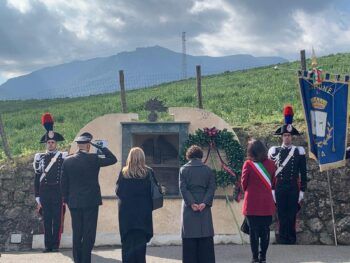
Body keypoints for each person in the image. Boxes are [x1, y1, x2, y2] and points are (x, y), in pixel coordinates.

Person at [61, 132, 117, 263]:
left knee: (77, 233)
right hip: (91, 202)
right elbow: (113, 159)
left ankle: (77, 260)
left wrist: (66, 200)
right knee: (89, 233)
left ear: (78, 146)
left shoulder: (67, 160)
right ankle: (86, 260)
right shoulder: (94, 159)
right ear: (88, 146)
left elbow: (63, 183)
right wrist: (101, 147)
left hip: (74, 202)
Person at [268, 105, 307, 245]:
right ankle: (283, 238)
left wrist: (302, 190)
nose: (287, 138)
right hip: (279, 186)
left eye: (289, 135)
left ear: (292, 137)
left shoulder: (299, 151)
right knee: (281, 213)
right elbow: (271, 172)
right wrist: (272, 189)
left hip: (292, 186)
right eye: (285, 135)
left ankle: (291, 238)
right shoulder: (274, 151)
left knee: (291, 213)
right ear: (281, 137)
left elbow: (303, 172)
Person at [33, 113, 67, 253]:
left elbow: (66, 177)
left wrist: (65, 195)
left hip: (58, 192)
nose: (51, 144)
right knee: (47, 220)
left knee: (57, 220)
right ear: (46, 144)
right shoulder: (39, 157)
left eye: (53, 142)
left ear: (56, 143)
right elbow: (37, 178)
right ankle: (48, 245)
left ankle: (55, 245)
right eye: (49, 142)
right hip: (45, 192)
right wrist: (37, 197)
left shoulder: (63, 157)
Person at [116, 147, 154, 263]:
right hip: (143, 214)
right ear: (142, 158)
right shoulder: (148, 172)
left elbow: (118, 192)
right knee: (140, 246)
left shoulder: (123, 172)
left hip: (127, 215)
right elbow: (154, 192)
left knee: (127, 246)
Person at [179, 145, 216, 263]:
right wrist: (204, 203)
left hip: (189, 208)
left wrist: (191, 203)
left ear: (188, 156)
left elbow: (183, 189)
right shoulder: (207, 170)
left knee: (189, 239)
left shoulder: (183, 169)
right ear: (200, 156)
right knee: (205, 238)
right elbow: (211, 188)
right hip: (204, 208)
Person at [241, 139, 276, 263]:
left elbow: (244, 184)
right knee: (265, 231)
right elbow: (274, 183)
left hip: (251, 204)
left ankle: (255, 258)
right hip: (266, 204)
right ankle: (263, 257)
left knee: (253, 232)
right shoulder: (272, 164)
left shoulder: (248, 164)